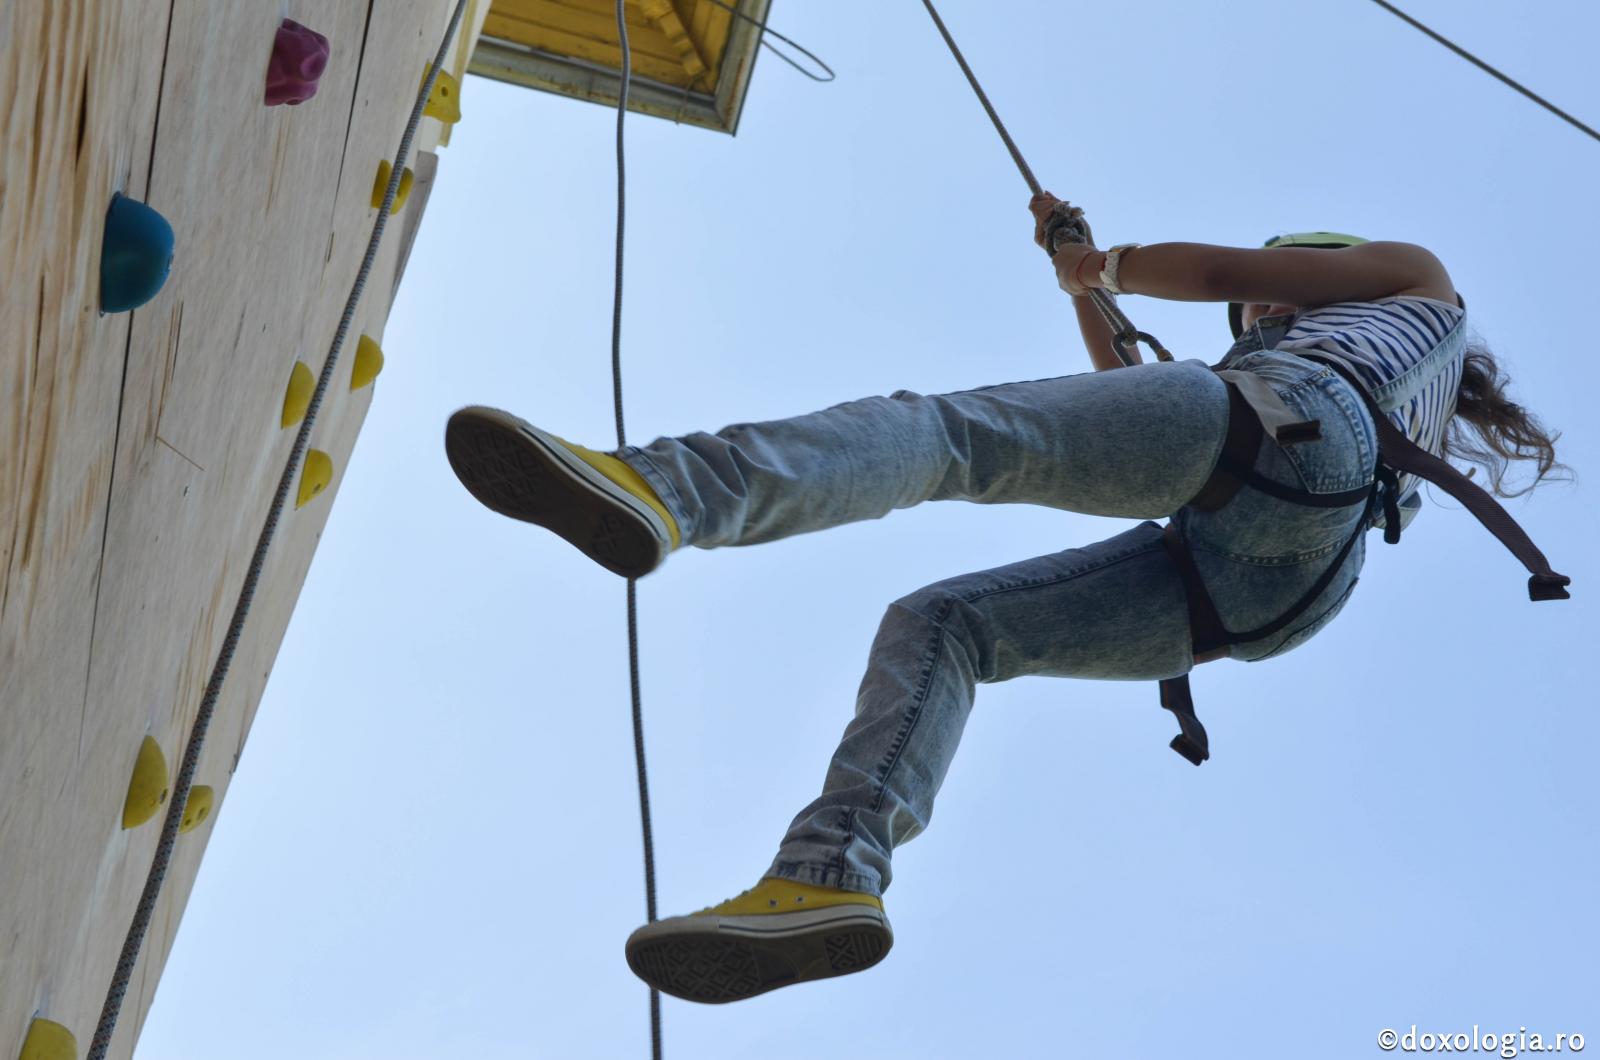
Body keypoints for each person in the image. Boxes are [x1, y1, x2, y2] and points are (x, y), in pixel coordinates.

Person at [443, 191, 1565, 1005]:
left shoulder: (1415, 277)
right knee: (943, 624)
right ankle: (828, 875)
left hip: (1290, 434)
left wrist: (1107, 263)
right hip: (1285, 579)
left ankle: (666, 488)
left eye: (1278, 287)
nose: (1255, 305)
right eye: (1253, 309)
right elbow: (1140, 414)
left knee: (950, 435)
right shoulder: (1365, 369)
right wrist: (1082, 278)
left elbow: (1212, 277)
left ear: (1330, 265)